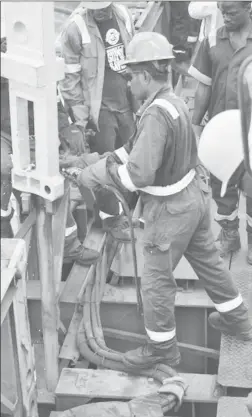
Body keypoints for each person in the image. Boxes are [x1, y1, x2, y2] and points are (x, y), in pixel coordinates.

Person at [62, 31, 252, 369]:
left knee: (156, 281)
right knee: (209, 262)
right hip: (192, 199)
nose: (129, 84)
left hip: (168, 213)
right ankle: (239, 318)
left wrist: (94, 177)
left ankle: (162, 349)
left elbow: (137, 175)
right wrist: (95, 161)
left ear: (145, 76)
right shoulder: (172, 101)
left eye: (132, 76)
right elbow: (132, 149)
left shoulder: (153, 115)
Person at [0, 30, 99, 267]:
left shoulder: (39, 70)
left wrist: (67, 129)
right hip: (5, 134)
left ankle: (70, 245)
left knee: (52, 177)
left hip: (32, 132)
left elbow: (55, 106)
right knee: (4, 171)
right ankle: (5, 236)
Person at [189, 1, 252, 263]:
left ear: (249, 8)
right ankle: (229, 233)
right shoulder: (212, 41)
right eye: (222, 11)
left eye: (232, 11)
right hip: (221, 128)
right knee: (222, 184)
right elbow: (204, 87)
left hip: (250, 132)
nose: (225, 17)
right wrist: (195, 125)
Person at [59, 1, 137, 155]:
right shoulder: (75, 28)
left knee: (132, 152)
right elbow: (70, 79)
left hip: (126, 103)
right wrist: (80, 121)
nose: (100, 12)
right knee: (105, 157)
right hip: (100, 110)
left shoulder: (123, 15)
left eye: (104, 7)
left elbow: (134, 56)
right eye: (95, 9)